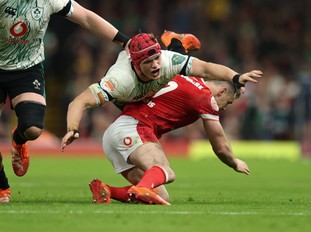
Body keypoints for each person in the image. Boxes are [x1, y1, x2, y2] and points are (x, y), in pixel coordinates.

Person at [0, 0, 130, 203]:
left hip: (27, 69)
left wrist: (124, 41)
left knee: (33, 129)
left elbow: (86, 17)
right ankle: (2, 186)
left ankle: (19, 140)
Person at [60, 31, 263, 151]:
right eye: (149, 61)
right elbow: (79, 102)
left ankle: (176, 44)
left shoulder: (164, 61)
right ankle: (178, 43)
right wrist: (73, 128)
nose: (156, 64)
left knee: (177, 76)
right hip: (131, 93)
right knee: (170, 81)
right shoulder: (118, 81)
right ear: (138, 64)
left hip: (149, 85)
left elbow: (206, 68)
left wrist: (236, 77)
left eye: (157, 58)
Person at [89, 74, 250, 205]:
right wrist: (234, 162)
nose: (224, 107)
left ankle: (107, 190)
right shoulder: (206, 98)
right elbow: (220, 145)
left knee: (161, 196)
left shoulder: (184, 75)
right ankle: (143, 187)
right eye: (228, 102)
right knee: (166, 171)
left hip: (114, 133)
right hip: (134, 128)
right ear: (221, 91)